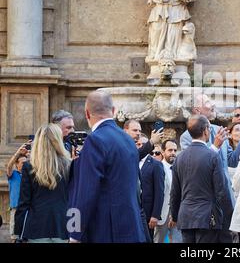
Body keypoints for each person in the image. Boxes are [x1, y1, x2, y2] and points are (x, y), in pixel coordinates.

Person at [68, 90, 147, 243]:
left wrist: (74, 232)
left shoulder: (94, 141)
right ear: (113, 111)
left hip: (105, 231)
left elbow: (85, 192)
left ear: (87, 114)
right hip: (132, 228)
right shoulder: (128, 140)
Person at [180, 94, 240, 242]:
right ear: (197, 110)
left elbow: (231, 161)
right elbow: (194, 168)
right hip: (203, 208)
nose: (213, 104)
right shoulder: (187, 137)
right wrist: (214, 147)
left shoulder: (220, 129)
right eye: (207, 102)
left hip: (225, 203)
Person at [170, 115, 233, 243]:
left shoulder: (179, 158)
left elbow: (175, 191)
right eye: (209, 128)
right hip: (207, 219)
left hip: (186, 218)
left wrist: (175, 215)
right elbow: (222, 191)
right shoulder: (213, 156)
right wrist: (230, 215)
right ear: (205, 130)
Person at [14, 124, 72, 243]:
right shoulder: (70, 165)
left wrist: (18, 233)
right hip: (63, 227)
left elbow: (24, 203)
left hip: (36, 228)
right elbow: (74, 200)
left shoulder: (29, 166)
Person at [154, 139, 182, 243]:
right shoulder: (157, 168)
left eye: (175, 150)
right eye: (170, 150)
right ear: (163, 151)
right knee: (159, 241)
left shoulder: (180, 168)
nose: (173, 153)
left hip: (178, 213)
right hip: (162, 213)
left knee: (178, 241)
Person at [140, 143, 165, 242]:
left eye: (142, 144)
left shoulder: (156, 165)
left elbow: (159, 191)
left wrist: (155, 215)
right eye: (137, 144)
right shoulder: (130, 162)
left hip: (147, 214)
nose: (140, 147)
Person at [6, 145, 28, 242]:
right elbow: (9, 165)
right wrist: (18, 152)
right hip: (16, 208)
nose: (24, 164)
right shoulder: (13, 174)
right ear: (17, 164)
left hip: (27, 208)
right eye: (22, 163)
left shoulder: (29, 175)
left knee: (26, 235)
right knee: (14, 236)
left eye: (26, 163)